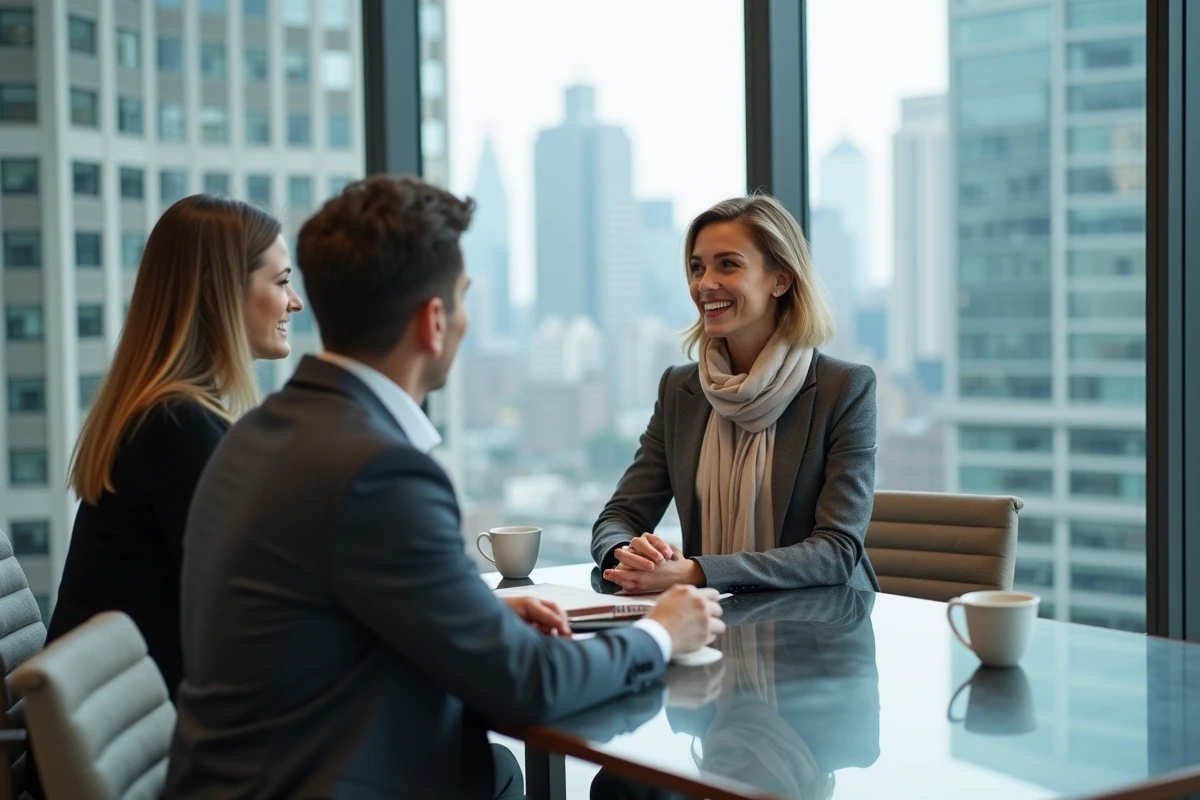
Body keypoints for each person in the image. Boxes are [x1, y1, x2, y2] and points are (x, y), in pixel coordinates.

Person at [164, 175, 725, 800]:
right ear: (434, 322)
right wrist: (660, 633)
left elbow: (335, 613)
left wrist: (473, 613)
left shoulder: (261, 432)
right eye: (461, 298)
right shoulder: (377, 469)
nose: (465, 317)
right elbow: (527, 686)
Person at [46, 194, 304, 700]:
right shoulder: (176, 426)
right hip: (141, 754)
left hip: (134, 729)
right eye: (280, 282)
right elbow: (248, 607)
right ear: (221, 294)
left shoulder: (175, 415)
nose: (294, 301)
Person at [592, 195, 880, 595]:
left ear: (780, 279)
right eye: (697, 267)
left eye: (728, 264)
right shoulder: (680, 390)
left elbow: (835, 551)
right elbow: (620, 515)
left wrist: (696, 572)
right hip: (712, 620)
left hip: (822, 630)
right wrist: (629, 555)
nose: (704, 284)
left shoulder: (843, 389)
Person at [591, 586, 881, 800]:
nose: (716, 775)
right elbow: (846, 613)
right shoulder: (850, 740)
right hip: (802, 598)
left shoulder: (688, 718)